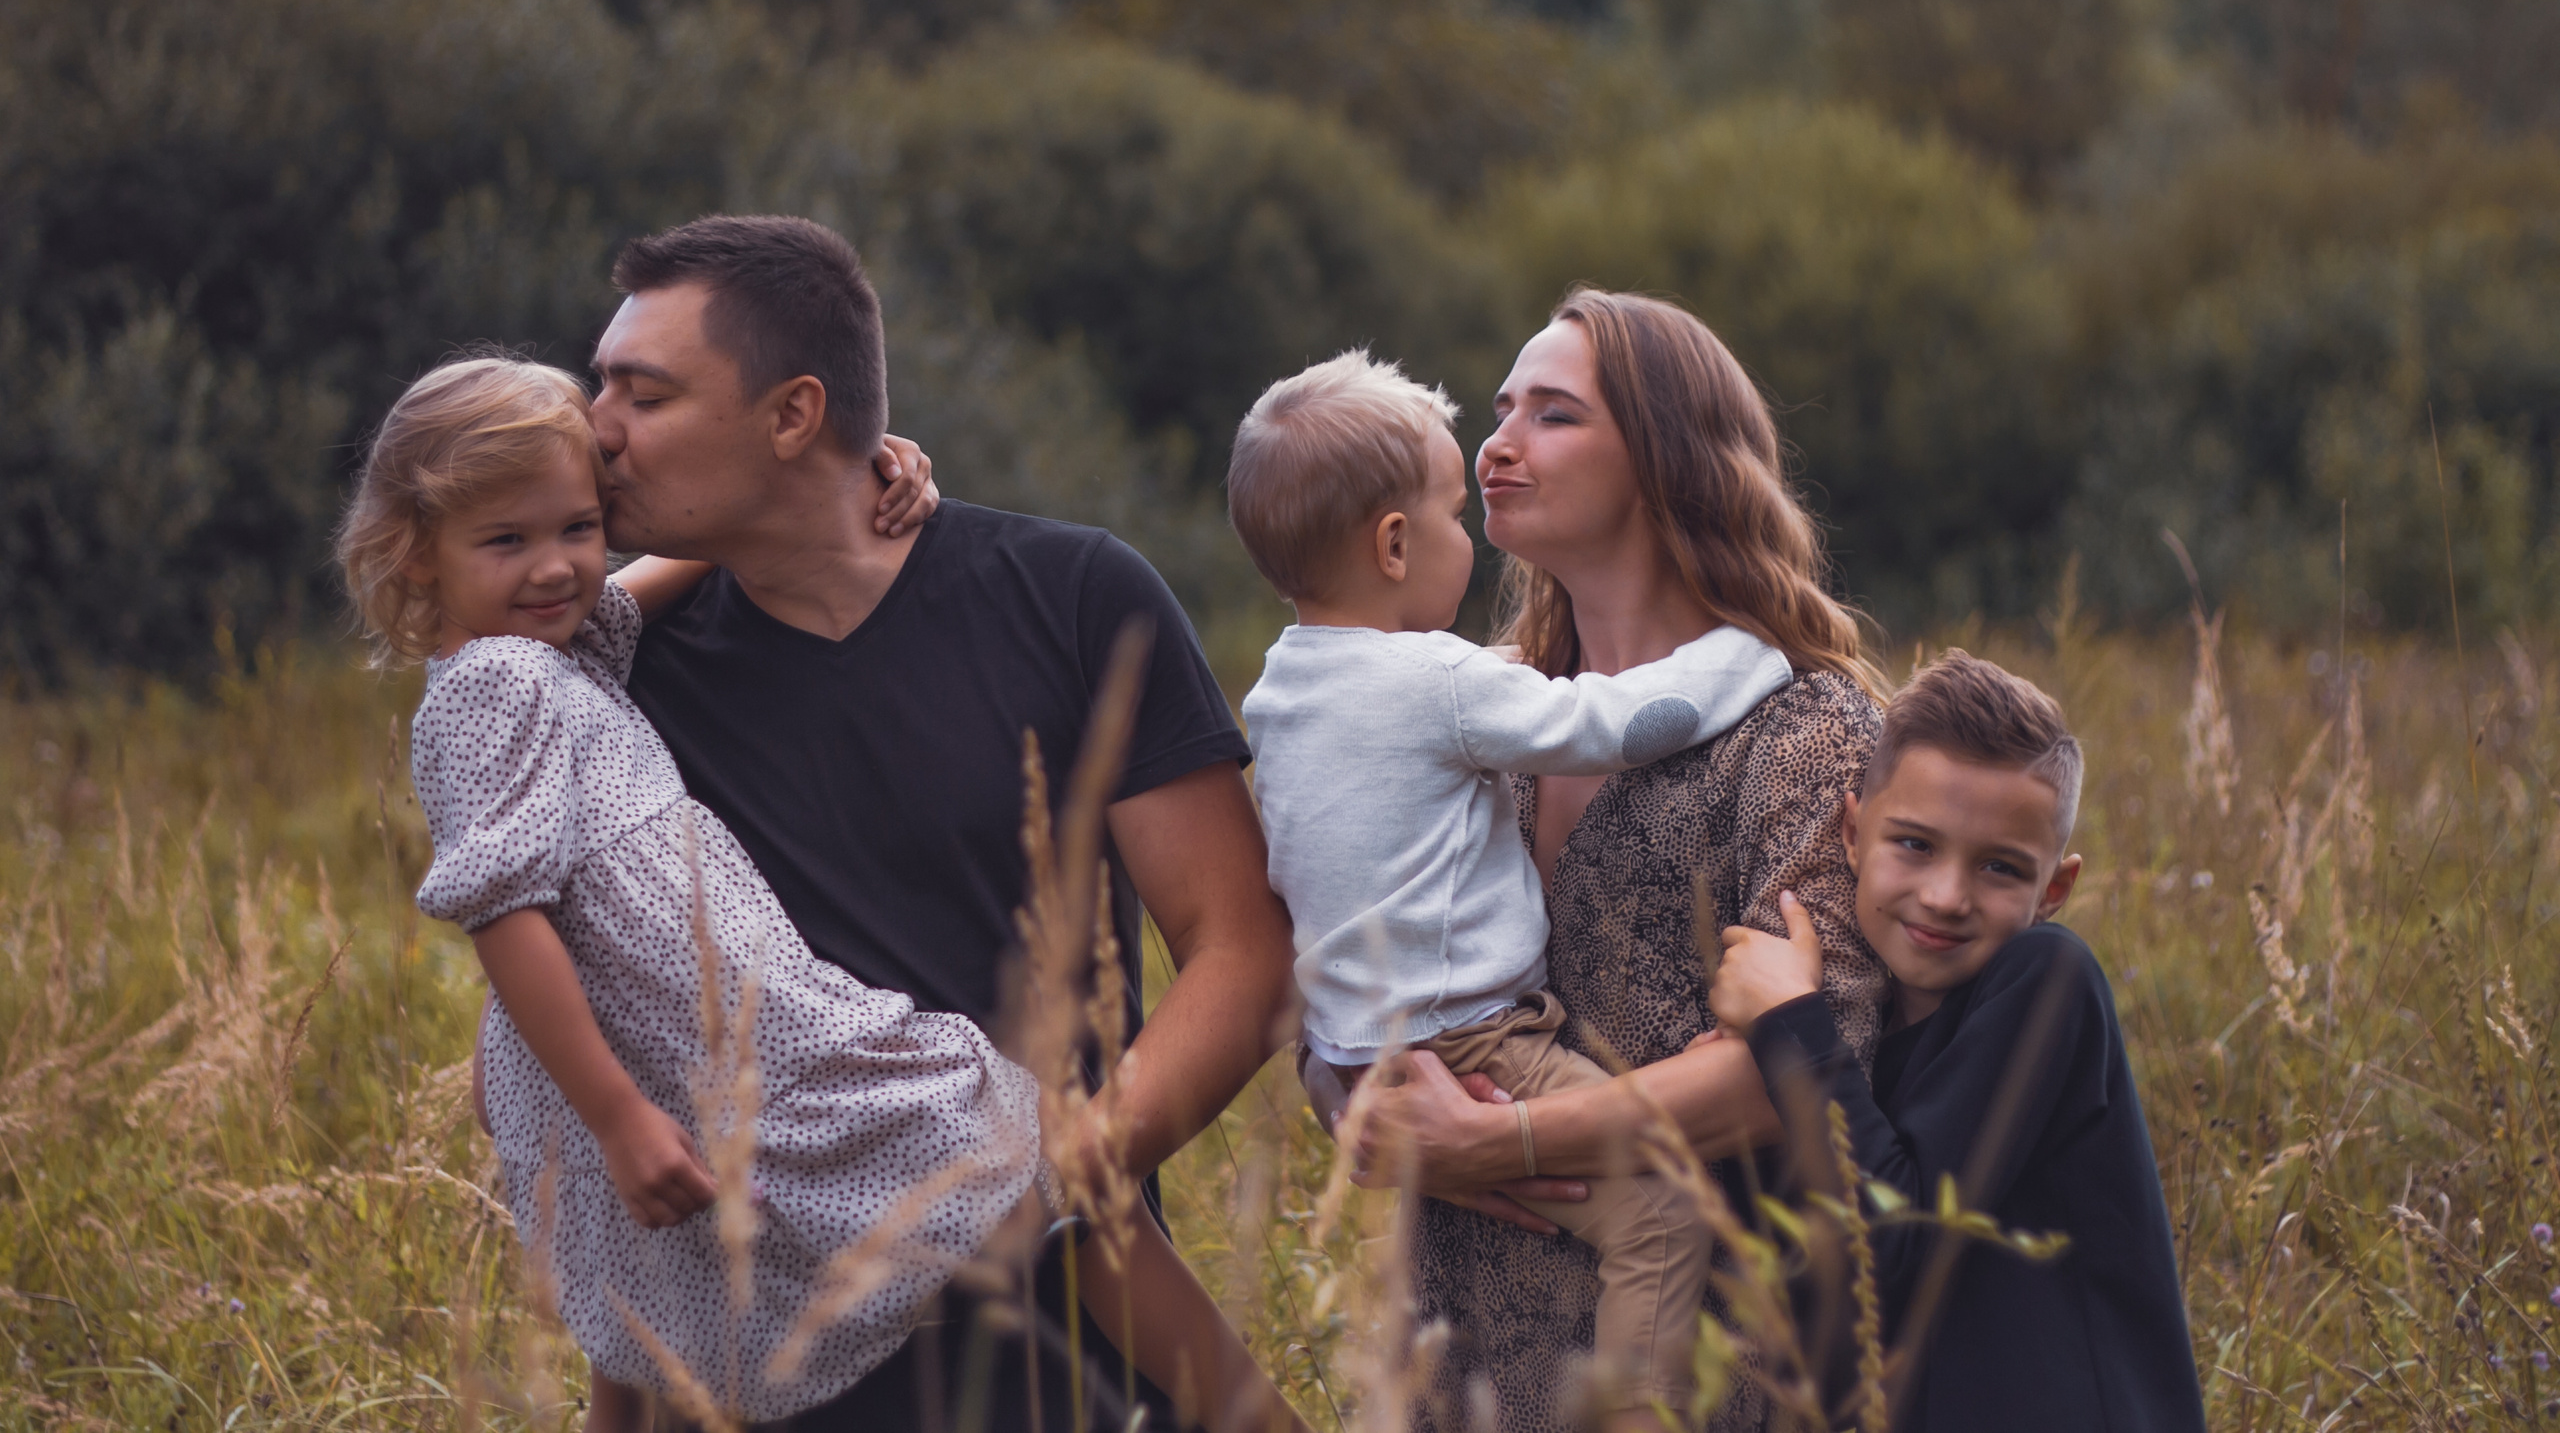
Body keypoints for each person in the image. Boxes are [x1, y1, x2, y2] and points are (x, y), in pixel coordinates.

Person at [341, 356, 1302, 1433]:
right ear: (416, 555)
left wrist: (850, 477)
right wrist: (615, 1115)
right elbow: (504, 912)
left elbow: (669, 571)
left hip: (708, 1024)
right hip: (704, 1035)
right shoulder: (489, 684)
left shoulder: (556, 651)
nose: (558, 568)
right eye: (506, 541)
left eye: (577, 528)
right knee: (1023, 1173)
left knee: (666, 1298)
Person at [592, 215, 1300, 1430]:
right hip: (766, 1366)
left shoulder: (1073, 596)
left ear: (792, 415)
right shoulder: (623, 679)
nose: (595, 427)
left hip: (1075, 1336)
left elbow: (1238, 952)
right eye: (595, 386)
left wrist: (1054, 1181)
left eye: (642, 396)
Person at [1342, 290, 1891, 1433]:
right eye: (1500, 412)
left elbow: (1809, 1065)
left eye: (1554, 416)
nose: (1494, 446)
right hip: (1450, 1341)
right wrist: (1353, 1098)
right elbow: (1337, 950)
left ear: (1666, 462)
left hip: (1701, 1357)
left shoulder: (1800, 730)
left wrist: (1500, 1138)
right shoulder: (1465, 708)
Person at [1226, 350, 1795, 1425]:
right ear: (1393, 546)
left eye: (1552, 413)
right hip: (1475, 1045)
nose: (1483, 487)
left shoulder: (1280, 693)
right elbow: (1618, 724)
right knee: (1662, 1217)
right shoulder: (1441, 683)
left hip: (1361, 1055)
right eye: (1450, 511)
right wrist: (1749, 655)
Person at [1710, 651, 2207, 1433]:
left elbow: (1896, 1244)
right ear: (1851, 830)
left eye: (1999, 867)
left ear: (2055, 889)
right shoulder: (1858, 1032)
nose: (1946, 895)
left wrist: (1787, 1020)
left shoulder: (2049, 982)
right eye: (1914, 844)